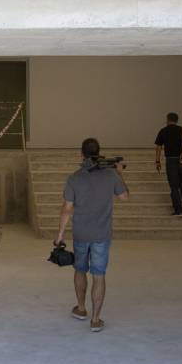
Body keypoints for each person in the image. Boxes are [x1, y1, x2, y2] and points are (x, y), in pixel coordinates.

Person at [54, 137, 129, 332]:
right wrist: (120, 174)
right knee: (99, 275)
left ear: (81, 154)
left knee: (80, 270)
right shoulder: (111, 175)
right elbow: (124, 197)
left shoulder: (74, 178)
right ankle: (95, 320)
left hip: (81, 233)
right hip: (101, 235)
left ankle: (80, 309)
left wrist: (60, 234)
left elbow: (67, 209)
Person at [154, 112, 182, 217]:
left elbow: (158, 147)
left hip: (170, 160)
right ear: (177, 120)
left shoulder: (163, 131)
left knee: (174, 186)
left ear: (167, 120)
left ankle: (179, 210)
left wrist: (157, 161)